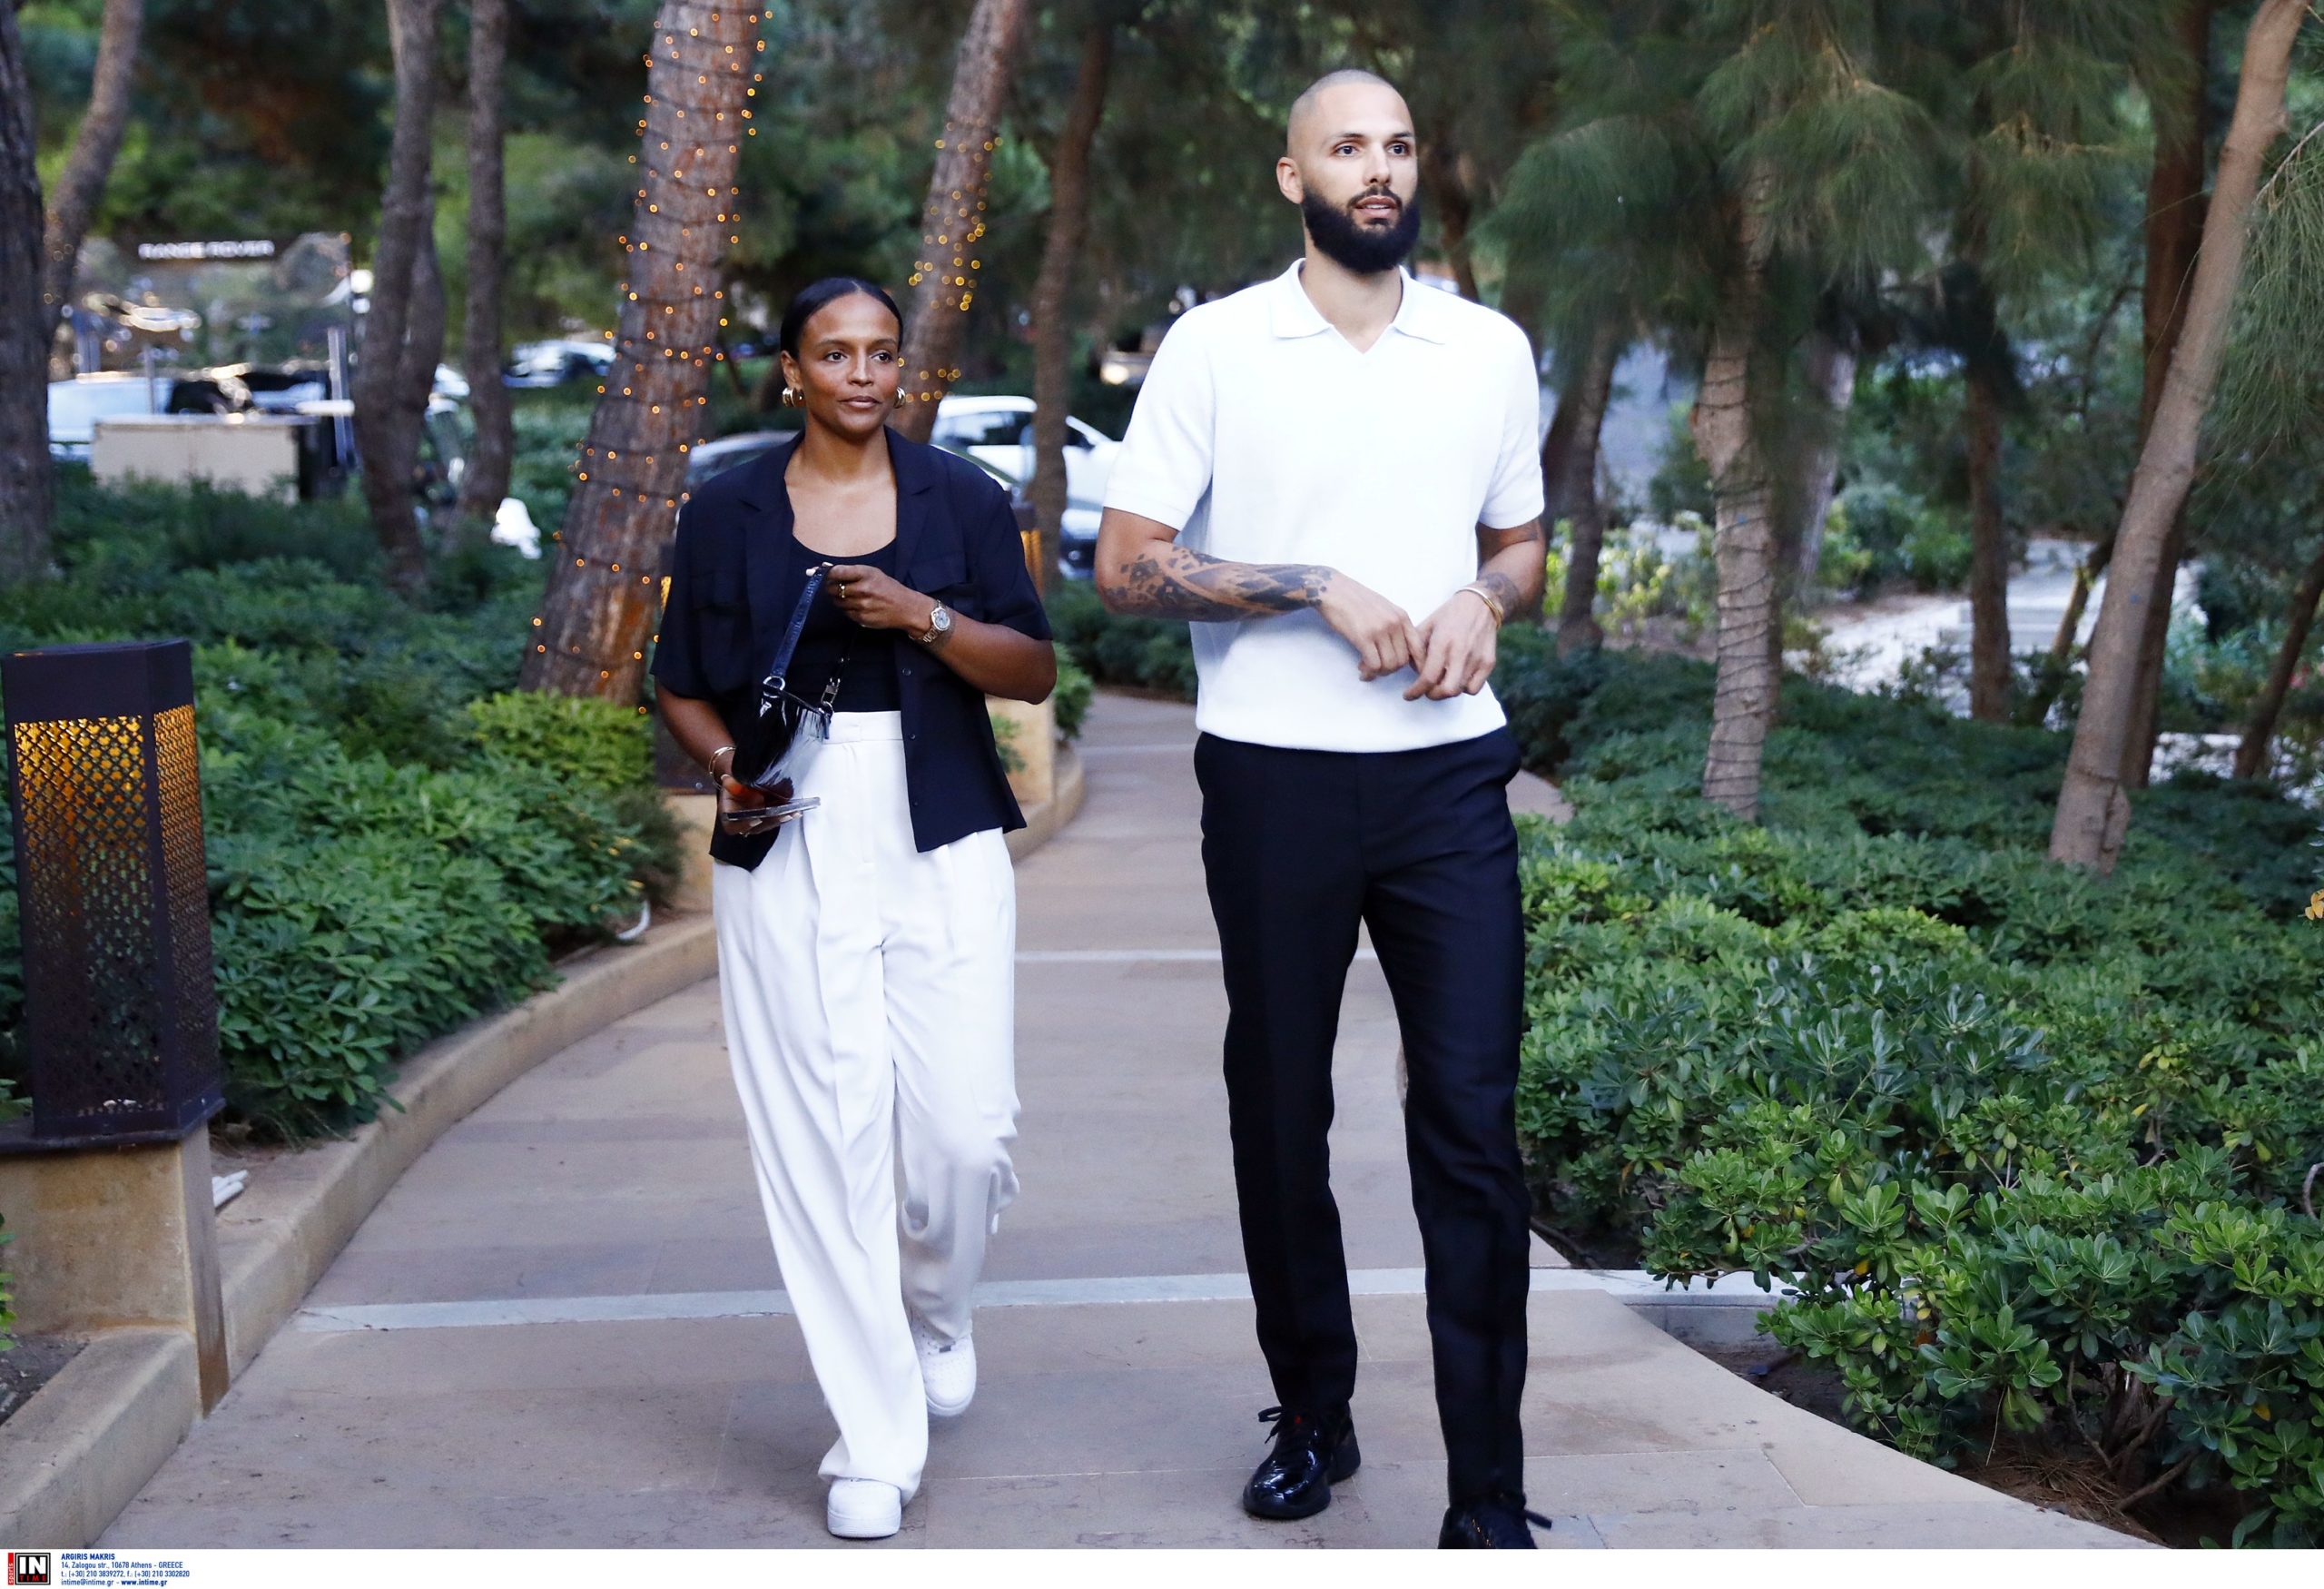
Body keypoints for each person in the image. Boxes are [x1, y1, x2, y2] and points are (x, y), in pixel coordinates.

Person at [1094, 70, 1551, 1549]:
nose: (1378, 169)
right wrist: (1307, 582)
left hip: (1447, 776)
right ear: (1293, 178)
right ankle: (1314, 1412)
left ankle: (1488, 1490)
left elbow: (1523, 541)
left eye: (1398, 146)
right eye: (1346, 147)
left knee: (1471, 1120)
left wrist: (1486, 598)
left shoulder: (1486, 348)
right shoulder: (1219, 346)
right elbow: (1124, 563)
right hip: (1274, 776)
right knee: (1282, 1110)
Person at [654, 277, 1058, 1541]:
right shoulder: (725, 511)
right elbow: (678, 682)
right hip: (789, 830)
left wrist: (922, 616)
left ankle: (937, 1307)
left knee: (964, 1135)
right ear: (792, 370)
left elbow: (1033, 668)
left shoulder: (963, 499)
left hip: (939, 820)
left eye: (882, 352)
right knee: (826, 1139)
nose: (864, 374)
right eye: (836, 353)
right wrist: (731, 766)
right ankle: (875, 1439)